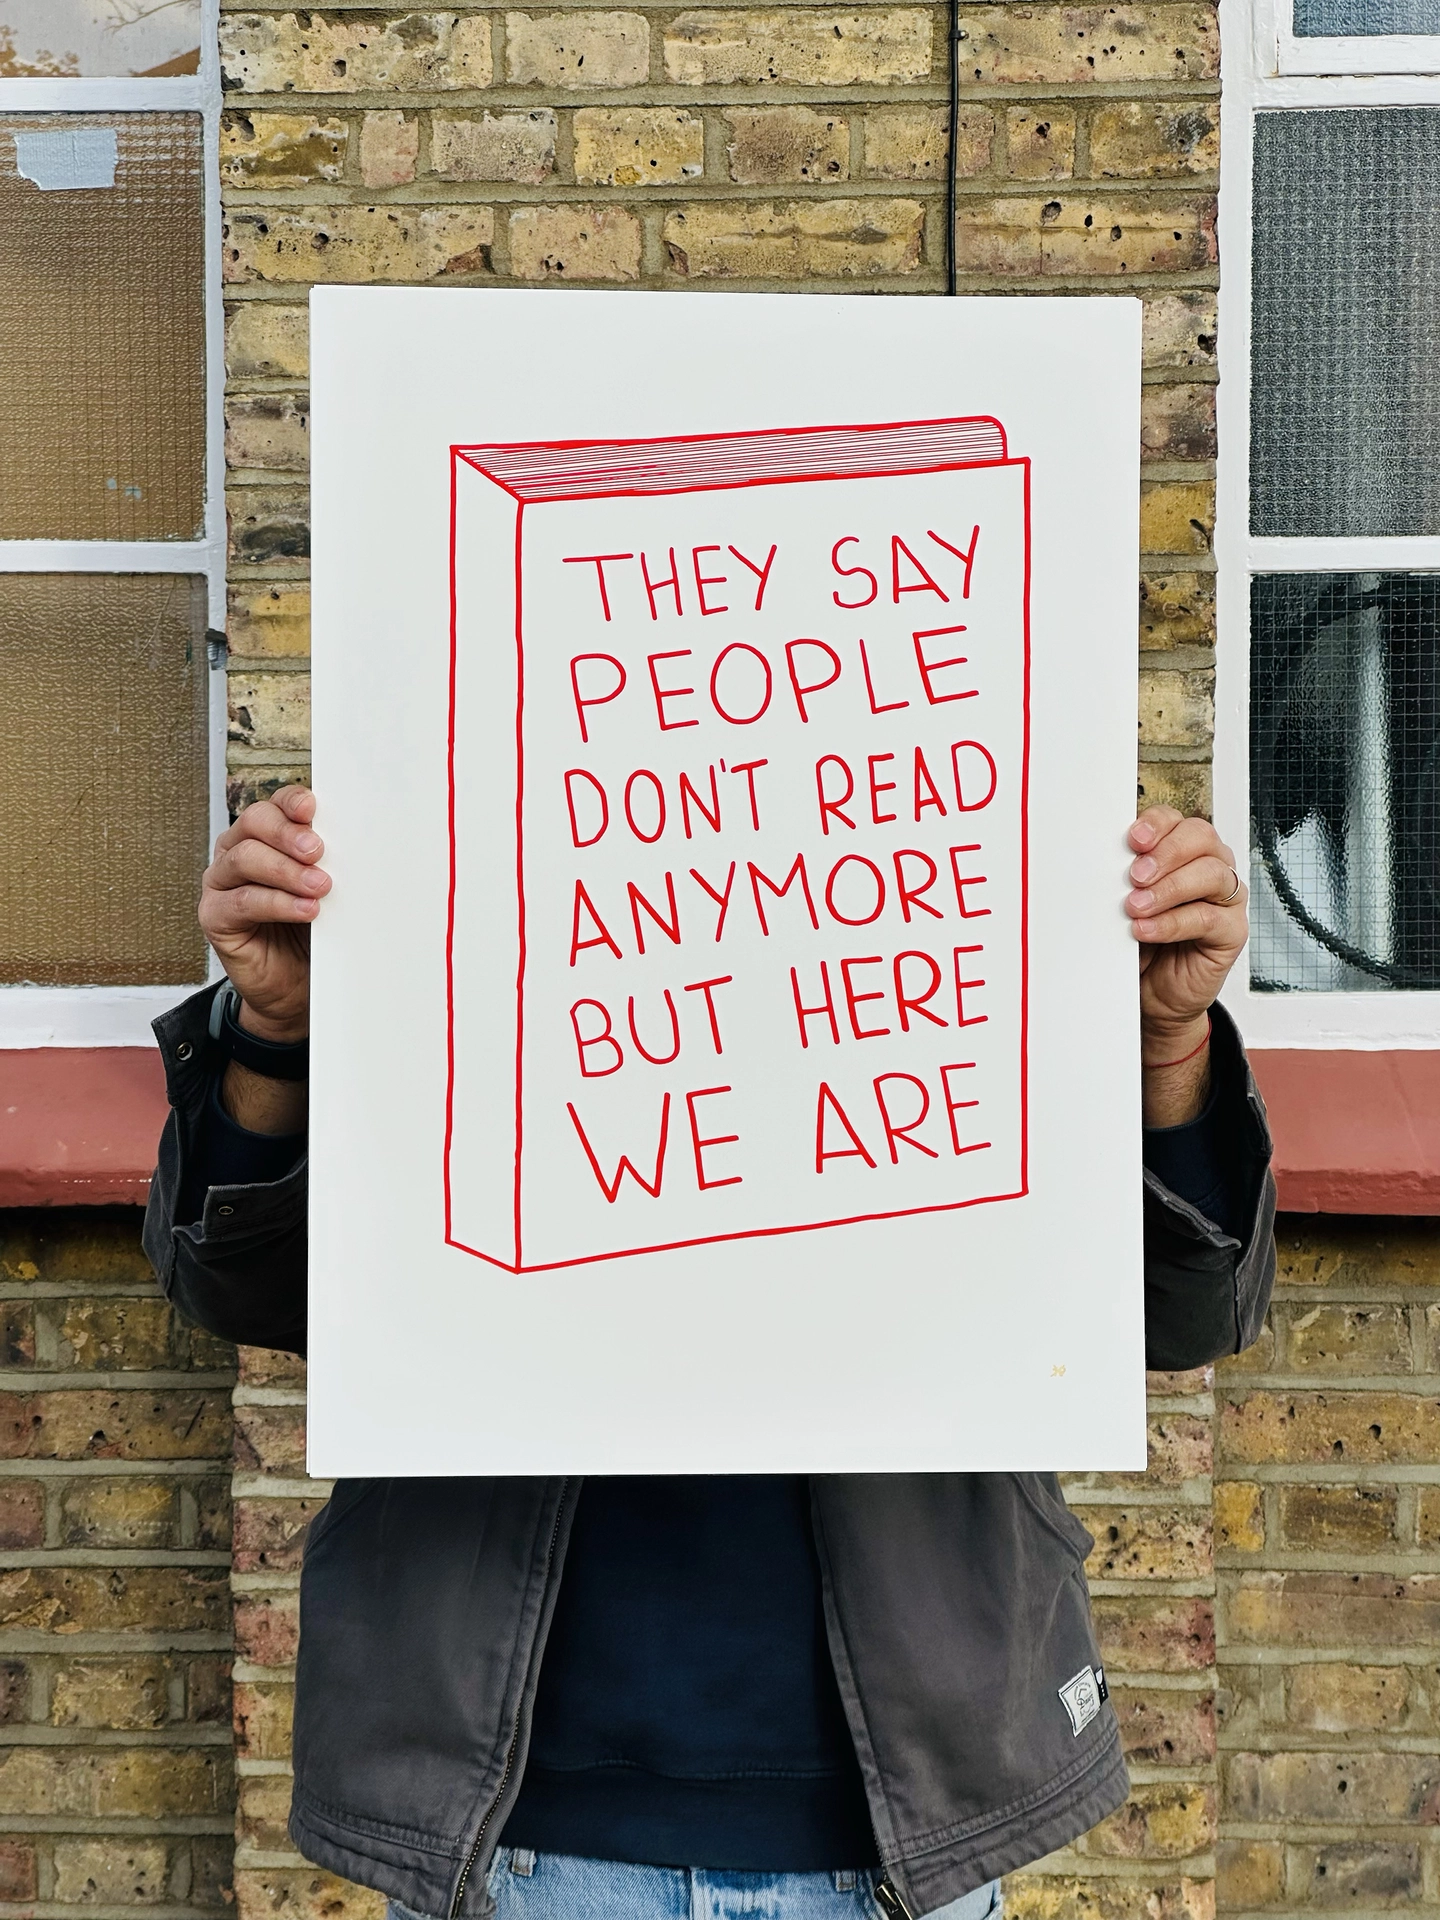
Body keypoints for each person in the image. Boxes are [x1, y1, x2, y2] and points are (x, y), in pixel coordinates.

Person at [144, 788, 1275, 1920]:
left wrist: (1164, 1043)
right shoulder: (459, 832)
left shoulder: (968, 851)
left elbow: (1189, 1317)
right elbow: (242, 1288)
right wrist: (275, 1037)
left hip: (897, 1836)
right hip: (520, 1841)